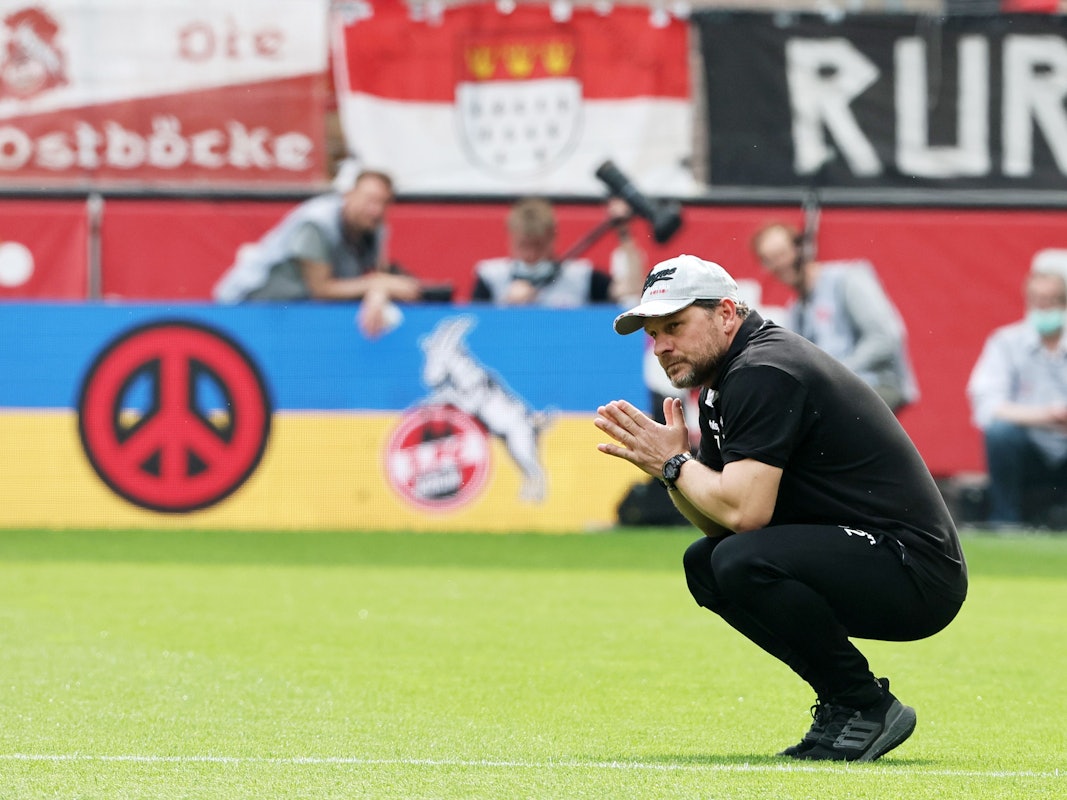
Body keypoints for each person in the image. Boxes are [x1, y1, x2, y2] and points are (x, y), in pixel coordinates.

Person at [594, 254, 967, 762]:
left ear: (727, 313)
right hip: (878, 558)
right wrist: (670, 471)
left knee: (739, 560)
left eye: (674, 326)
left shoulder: (763, 370)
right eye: (654, 334)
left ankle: (863, 704)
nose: (660, 346)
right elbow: (720, 522)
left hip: (915, 569)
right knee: (705, 563)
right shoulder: (728, 377)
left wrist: (675, 463)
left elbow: (746, 514)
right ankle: (846, 702)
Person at [213, 169, 437, 338]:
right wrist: (377, 284)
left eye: (383, 202)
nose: (376, 209)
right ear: (349, 195)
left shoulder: (375, 227)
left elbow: (378, 276)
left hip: (292, 314)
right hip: (246, 308)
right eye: (370, 199)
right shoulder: (316, 224)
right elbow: (321, 289)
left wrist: (379, 291)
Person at [750, 222, 918, 413]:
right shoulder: (796, 312)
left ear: (801, 248)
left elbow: (886, 337)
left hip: (876, 384)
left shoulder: (846, 280)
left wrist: (837, 373)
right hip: (837, 393)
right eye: (770, 260)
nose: (780, 264)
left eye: (781, 254)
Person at [966, 269, 1067, 528]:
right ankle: (1005, 520)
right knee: (1000, 433)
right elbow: (987, 405)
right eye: (1038, 300)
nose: (1044, 307)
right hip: (1027, 448)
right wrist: (1049, 416)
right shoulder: (1005, 343)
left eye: (1051, 300)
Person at [470, 196, 645, 307]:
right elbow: (476, 327)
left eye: (538, 246)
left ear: (551, 239)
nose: (531, 255)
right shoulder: (490, 278)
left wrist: (624, 232)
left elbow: (631, 293)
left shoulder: (581, 277)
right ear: (511, 239)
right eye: (524, 246)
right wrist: (505, 305)